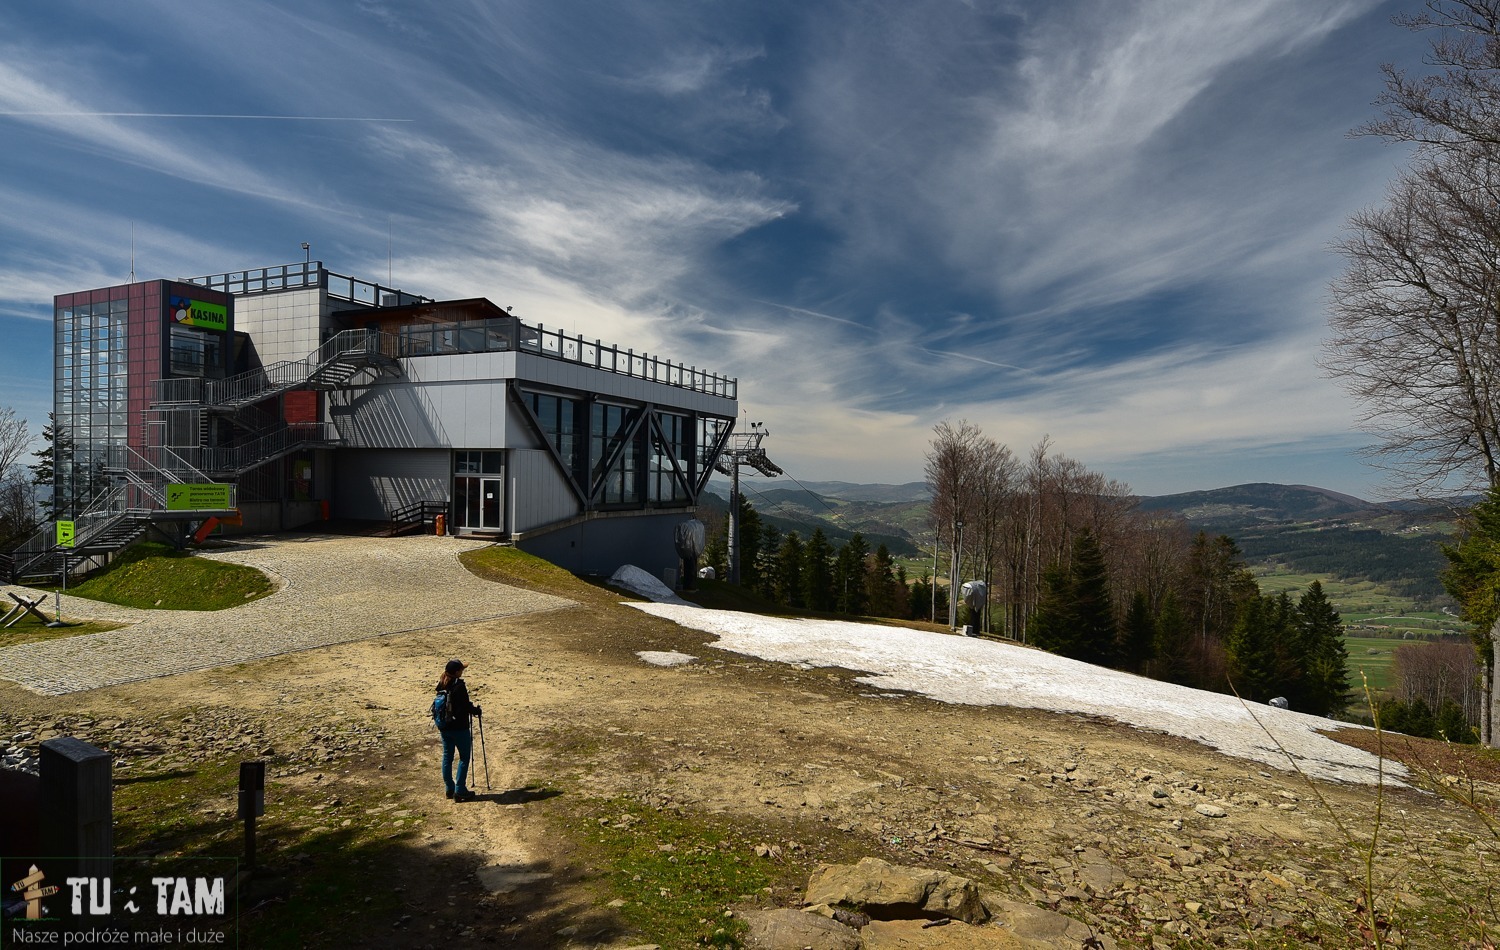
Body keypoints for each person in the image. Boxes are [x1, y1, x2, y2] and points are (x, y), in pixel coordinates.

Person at [434, 658, 482, 801]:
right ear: (456, 672)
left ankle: (449, 788)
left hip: (444, 727)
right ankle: (460, 789)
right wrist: (476, 711)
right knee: (464, 757)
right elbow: (465, 706)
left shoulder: (442, 683)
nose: (463, 671)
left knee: (447, 757)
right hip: (459, 728)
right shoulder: (459, 686)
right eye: (461, 669)